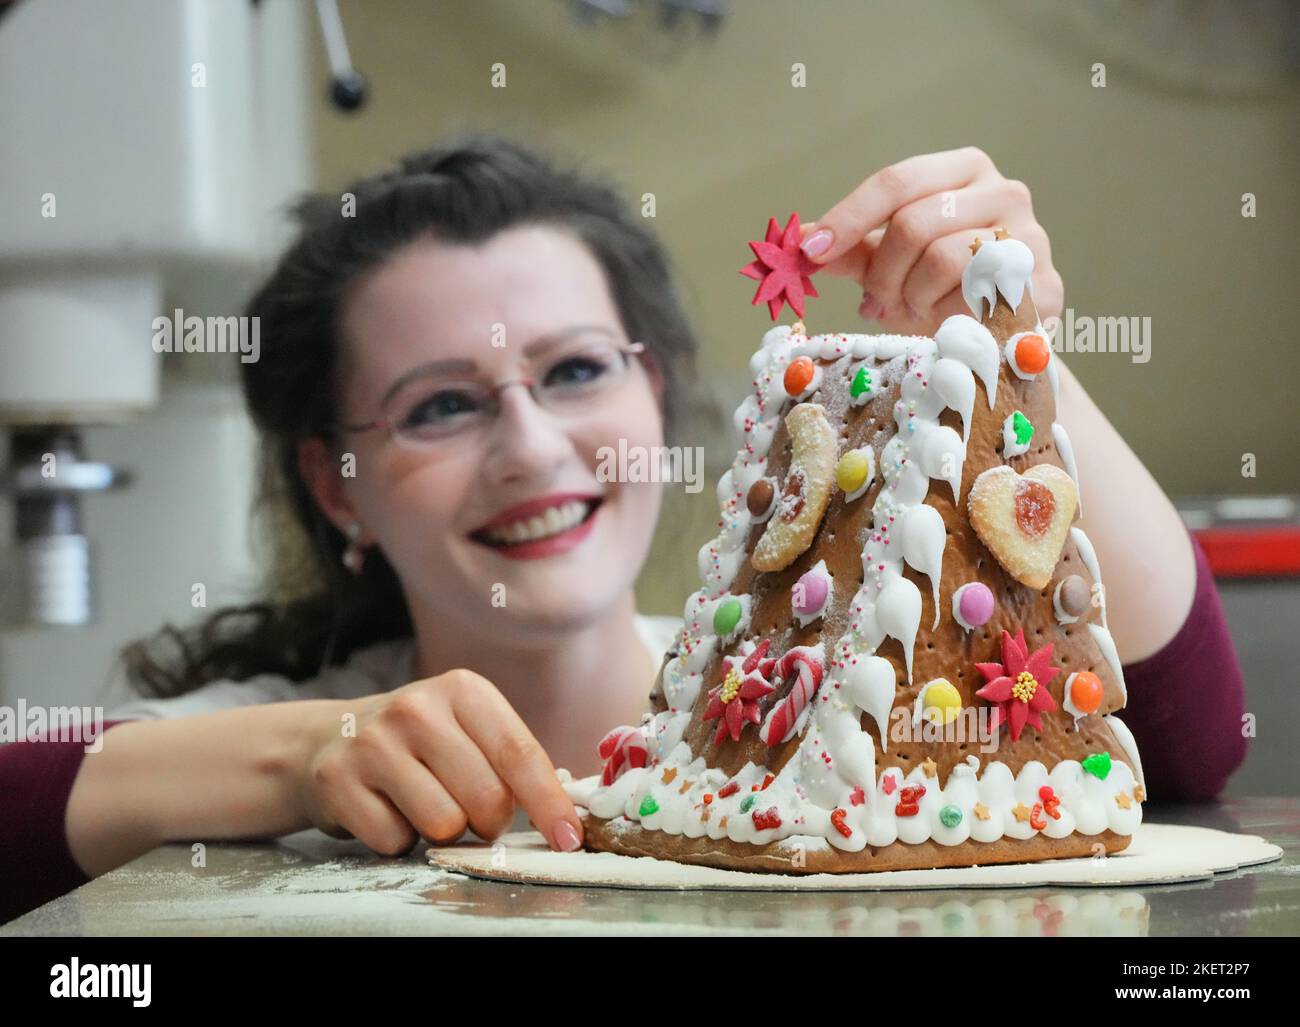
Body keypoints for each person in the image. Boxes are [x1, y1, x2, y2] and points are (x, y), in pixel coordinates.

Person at [0, 136, 1246, 923]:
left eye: (578, 371)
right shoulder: (273, 737)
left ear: (661, 394)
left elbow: (1184, 745)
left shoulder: (795, 721)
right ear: (338, 489)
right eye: (438, 405)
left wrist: (1001, 338)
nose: (531, 448)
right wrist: (303, 758)